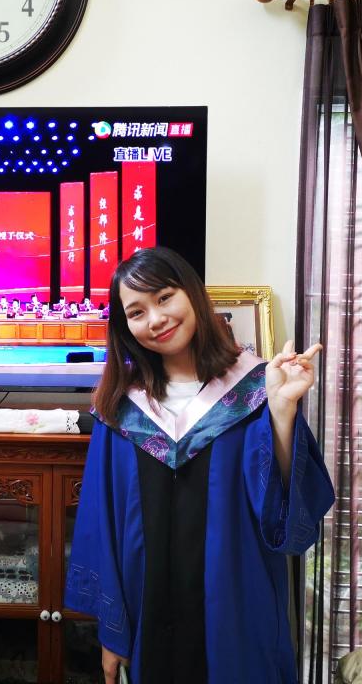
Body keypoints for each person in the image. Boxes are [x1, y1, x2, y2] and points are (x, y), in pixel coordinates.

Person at [64, 246, 334, 684]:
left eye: (164, 297)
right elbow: (101, 526)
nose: (156, 319)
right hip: (147, 614)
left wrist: (282, 411)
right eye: (137, 312)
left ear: (192, 293)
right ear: (124, 327)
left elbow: (285, 511)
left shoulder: (254, 391)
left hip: (237, 611)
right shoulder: (121, 410)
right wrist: (112, 631)